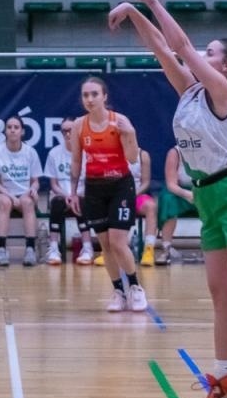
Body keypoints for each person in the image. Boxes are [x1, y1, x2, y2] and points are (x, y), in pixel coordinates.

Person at [111, 0, 227, 398]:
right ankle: (224, 375)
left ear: (226, 67)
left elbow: (180, 44)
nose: (200, 55)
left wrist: (151, 0)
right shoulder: (190, 92)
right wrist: (133, 13)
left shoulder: (224, 93)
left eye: (211, 53)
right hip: (207, 197)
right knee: (219, 292)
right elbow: (162, 48)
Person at [68, 76, 147, 312]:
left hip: (120, 186)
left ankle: (135, 287)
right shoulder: (79, 125)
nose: (90, 99)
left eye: (94, 94)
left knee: (118, 242)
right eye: (85, 95)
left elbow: (132, 158)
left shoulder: (120, 121)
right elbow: (76, 161)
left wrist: (130, 133)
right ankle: (118, 291)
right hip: (94, 188)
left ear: (104, 97)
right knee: (105, 244)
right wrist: (73, 192)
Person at [0, 115, 44, 267]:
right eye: (9, 127)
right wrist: (11, 196)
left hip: (24, 194)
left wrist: (33, 189)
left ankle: (30, 249)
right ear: (5, 131)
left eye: (16, 127)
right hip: (2, 193)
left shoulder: (30, 152)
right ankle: (1, 249)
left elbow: (36, 181)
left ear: (22, 131)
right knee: (5, 203)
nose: (12, 130)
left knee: (27, 202)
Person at [43, 119, 95, 265]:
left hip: (81, 194)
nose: (67, 134)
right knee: (57, 202)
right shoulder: (54, 153)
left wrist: (76, 196)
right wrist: (67, 195)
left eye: (70, 130)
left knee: (81, 203)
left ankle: (87, 248)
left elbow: (90, 182)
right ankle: (53, 248)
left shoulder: (87, 153)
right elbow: (53, 184)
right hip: (61, 195)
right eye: (64, 131)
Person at [156, 146, 197, 266]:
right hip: (181, 192)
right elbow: (171, 185)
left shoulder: (207, 148)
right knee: (168, 199)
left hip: (202, 189)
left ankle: (217, 247)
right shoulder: (175, 152)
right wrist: (187, 195)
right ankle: (166, 249)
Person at [134, 148, 158, 266]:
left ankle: (149, 249)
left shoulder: (143, 155)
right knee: (107, 201)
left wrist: (132, 194)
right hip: (116, 196)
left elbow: (146, 183)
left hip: (135, 195)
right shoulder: (111, 152)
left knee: (151, 206)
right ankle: (107, 251)